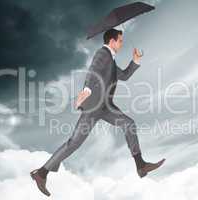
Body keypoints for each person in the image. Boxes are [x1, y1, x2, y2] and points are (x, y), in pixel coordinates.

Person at [30, 28, 165, 196]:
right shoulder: (103, 53)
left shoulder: (111, 59)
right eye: (120, 40)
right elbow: (93, 71)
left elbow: (124, 75)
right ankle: (41, 173)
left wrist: (135, 61)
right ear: (112, 41)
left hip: (106, 107)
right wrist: (86, 90)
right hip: (94, 107)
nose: (122, 44)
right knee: (74, 143)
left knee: (129, 124)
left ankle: (140, 165)